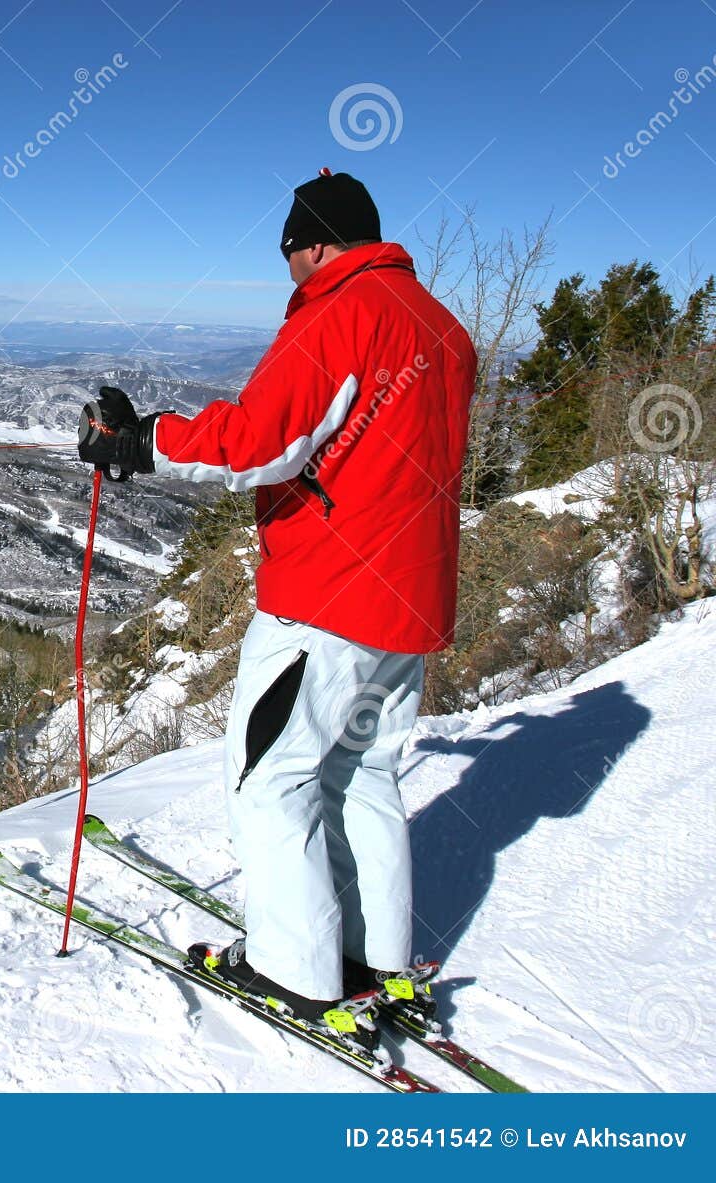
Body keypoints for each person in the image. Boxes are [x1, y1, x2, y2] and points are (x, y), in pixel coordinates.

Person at [77, 170, 476, 1027]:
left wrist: (143, 441)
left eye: (289, 252)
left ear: (315, 245)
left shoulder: (343, 314)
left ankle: (295, 971)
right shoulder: (441, 327)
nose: (288, 271)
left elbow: (262, 440)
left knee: (270, 778)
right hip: (410, 599)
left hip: (328, 599)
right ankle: (375, 955)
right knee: (361, 771)